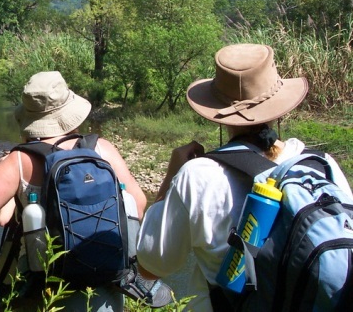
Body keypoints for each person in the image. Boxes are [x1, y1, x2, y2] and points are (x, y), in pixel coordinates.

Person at [135, 43, 353, 311]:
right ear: (280, 108)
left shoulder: (197, 174)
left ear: (218, 115)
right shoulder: (321, 165)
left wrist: (171, 178)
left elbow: (151, 265)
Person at [0, 71, 154, 311]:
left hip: (42, 294)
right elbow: (139, 206)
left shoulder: (20, 160)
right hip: (103, 289)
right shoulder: (102, 150)